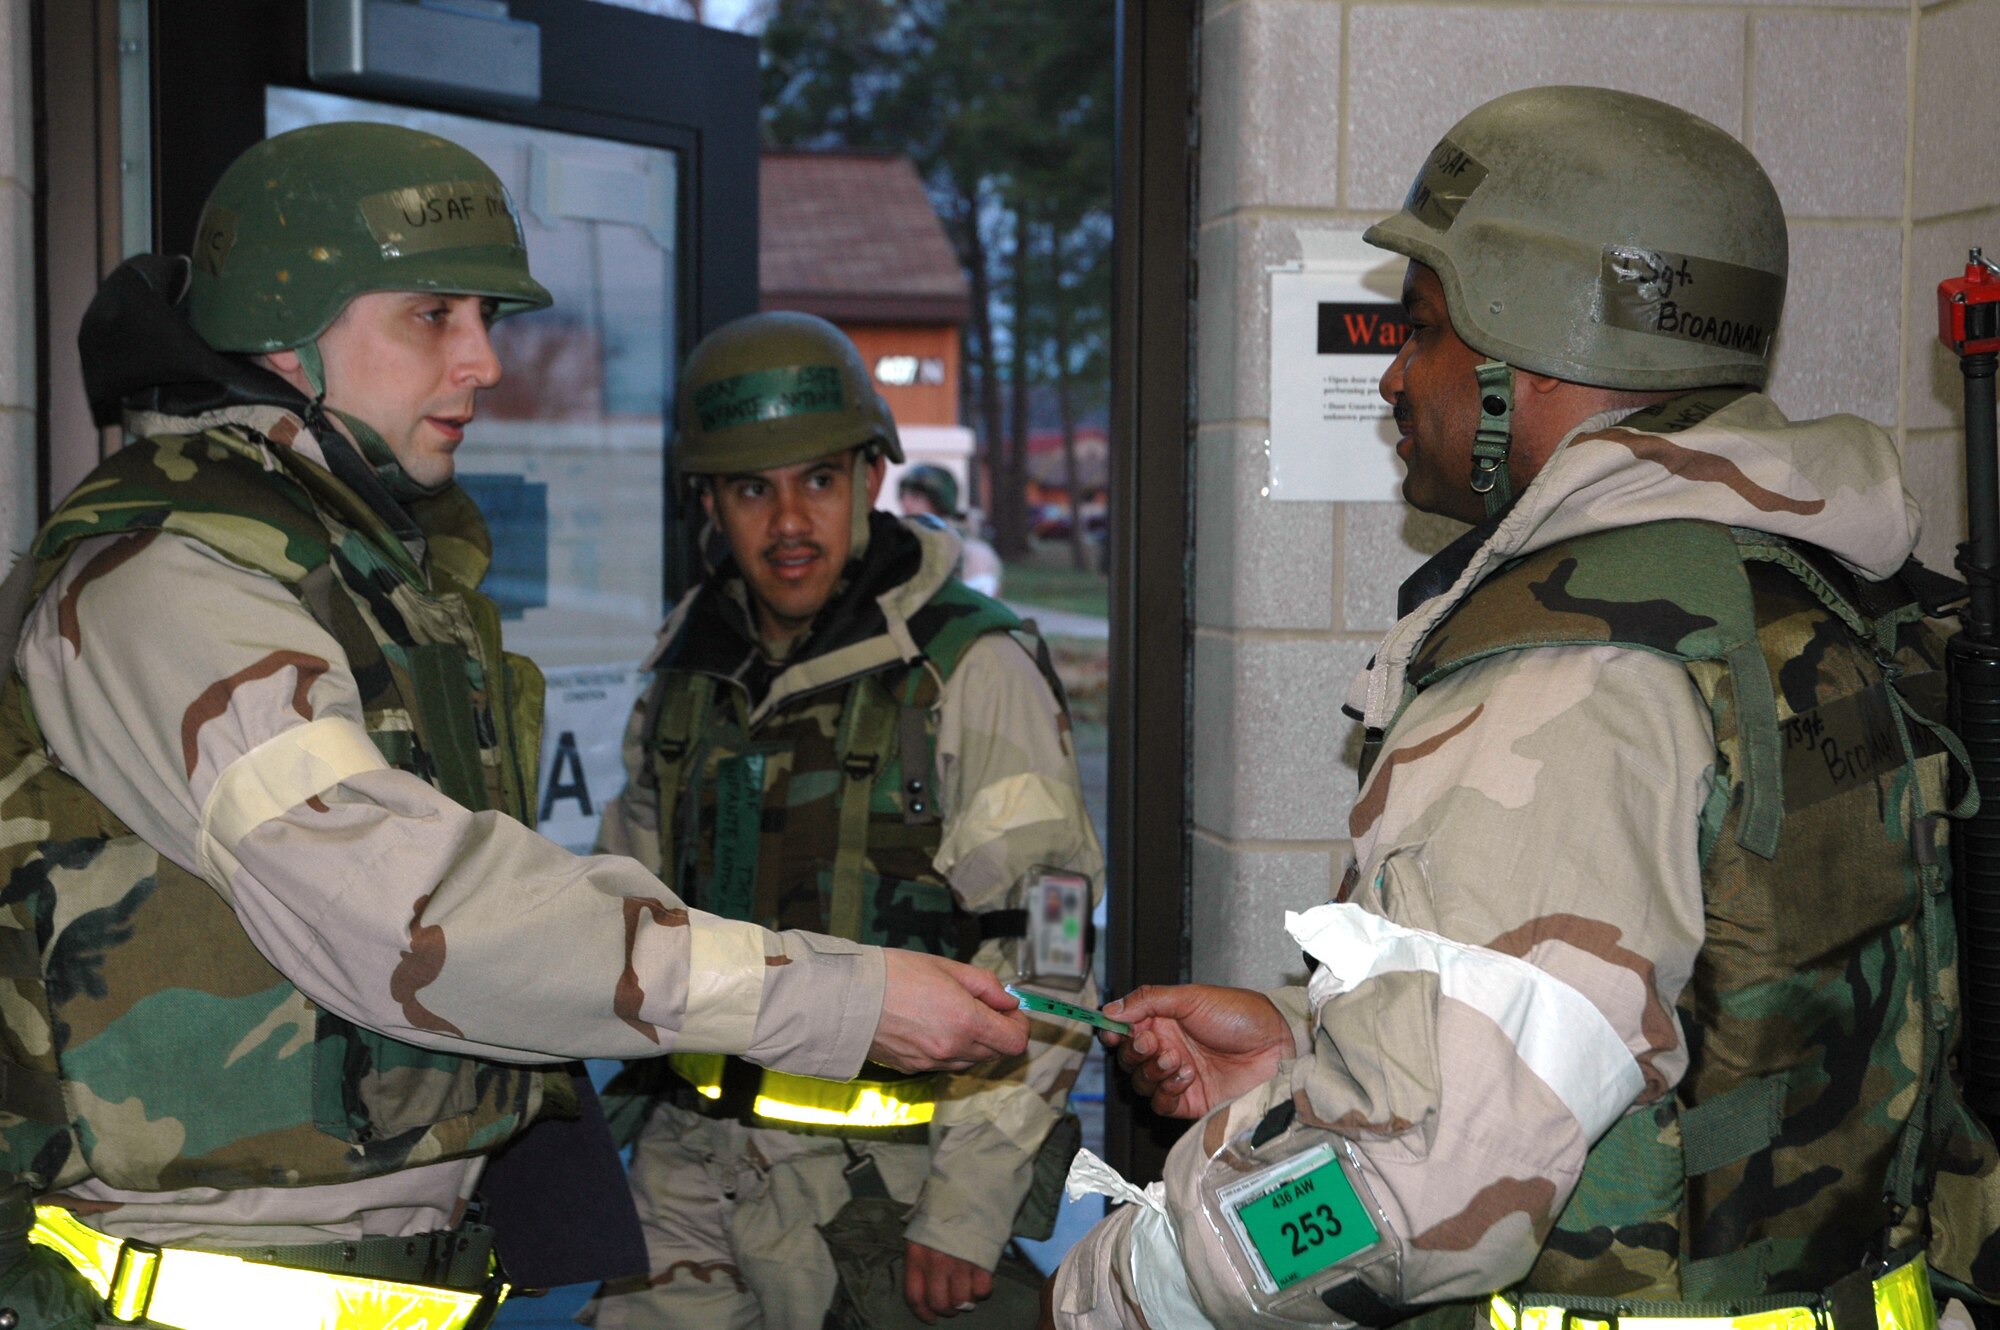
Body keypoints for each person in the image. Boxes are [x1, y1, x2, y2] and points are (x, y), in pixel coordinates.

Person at [0, 123, 1027, 1329]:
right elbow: (412, 915)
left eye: (486, 319)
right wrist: (837, 996)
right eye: (433, 315)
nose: (484, 361)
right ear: (284, 331)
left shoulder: (352, 568)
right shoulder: (166, 583)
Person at [1051, 86, 2000, 1329]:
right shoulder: (1815, 597)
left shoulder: (1571, 674)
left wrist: (1133, 1278)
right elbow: (1676, 1008)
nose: (1396, 375)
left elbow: (1404, 1191)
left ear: (1527, 346)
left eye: (1425, 326)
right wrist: (1303, 1036)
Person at [586, 311, 1102, 1328]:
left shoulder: (968, 668)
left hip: (879, 1195)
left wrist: (966, 1209)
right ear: (707, 499)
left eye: (817, 480)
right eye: (750, 488)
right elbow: (626, 915)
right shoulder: (688, 667)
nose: (787, 522)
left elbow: (1049, 961)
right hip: (683, 1176)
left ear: (871, 476)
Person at [897, 464, 1004, 599]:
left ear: (939, 502)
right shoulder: (900, 545)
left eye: (916, 497)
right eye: (903, 495)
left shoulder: (973, 553)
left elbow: (981, 605)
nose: (906, 503)